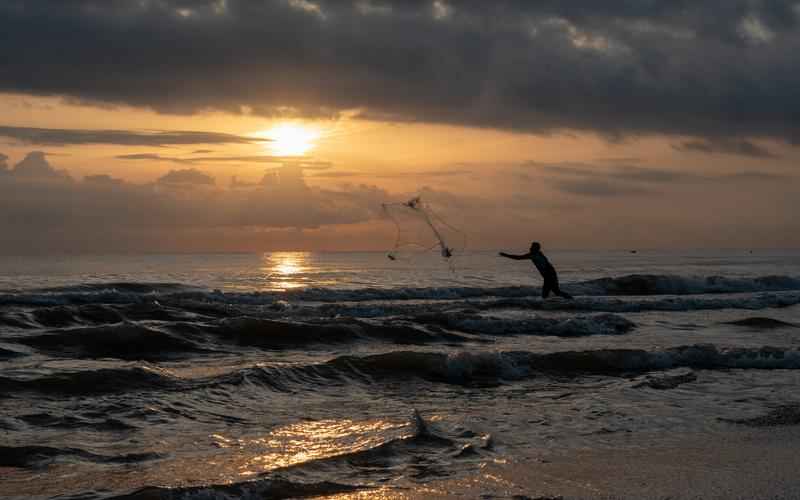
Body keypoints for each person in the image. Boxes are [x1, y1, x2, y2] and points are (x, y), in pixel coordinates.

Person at [499, 242, 573, 299]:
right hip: (550, 273)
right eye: (531, 246)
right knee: (555, 292)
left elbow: (518, 258)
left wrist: (505, 255)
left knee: (549, 293)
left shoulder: (534, 255)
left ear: (535, 248)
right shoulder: (538, 253)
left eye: (532, 247)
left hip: (549, 274)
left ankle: (570, 301)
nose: (530, 248)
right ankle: (570, 300)